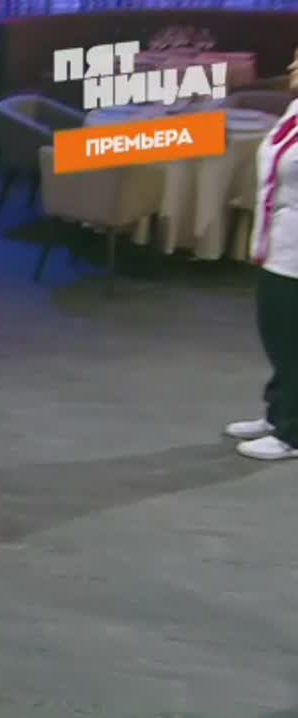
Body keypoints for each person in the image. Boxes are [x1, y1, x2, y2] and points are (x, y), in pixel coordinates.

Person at [226, 48, 298, 461]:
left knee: (292, 341)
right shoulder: (294, 110)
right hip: (279, 242)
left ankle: (293, 432)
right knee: (278, 333)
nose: (290, 67)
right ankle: (278, 413)